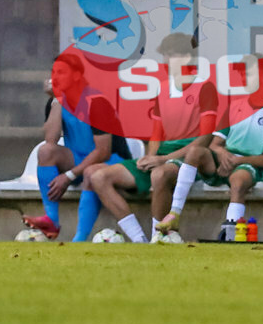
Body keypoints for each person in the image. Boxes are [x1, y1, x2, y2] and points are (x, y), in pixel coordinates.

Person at [91, 34, 219, 244]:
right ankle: (140, 240)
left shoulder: (205, 87)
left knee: (160, 175)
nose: (165, 61)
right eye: (164, 56)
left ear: (186, 58)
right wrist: (150, 157)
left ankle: (157, 237)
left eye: (170, 56)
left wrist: (164, 159)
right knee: (99, 178)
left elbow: (205, 139)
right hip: (161, 158)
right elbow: (156, 133)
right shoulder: (163, 87)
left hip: (188, 160)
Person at [22, 53, 131, 241]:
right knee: (45, 152)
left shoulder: (97, 102)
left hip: (112, 160)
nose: (55, 77)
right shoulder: (57, 100)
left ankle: (79, 239)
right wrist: (57, 100)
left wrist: (69, 175)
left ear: (77, 76)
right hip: (80, 159)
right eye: (53, 72)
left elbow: (103, 152)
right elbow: (50, 140)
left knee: (91, 172)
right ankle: (52, 221)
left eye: (61, 73)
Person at [161, 83, 263, 240]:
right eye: (245, 76)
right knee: (195, 152)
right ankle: (174, 214)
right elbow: (215, 144)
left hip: (248, 164)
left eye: (252, 74)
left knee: (239, 180)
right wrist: (223, 154)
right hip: (224, 162)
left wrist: (237, 160)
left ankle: (231, 231)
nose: (247, 80)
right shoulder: (234, 107)